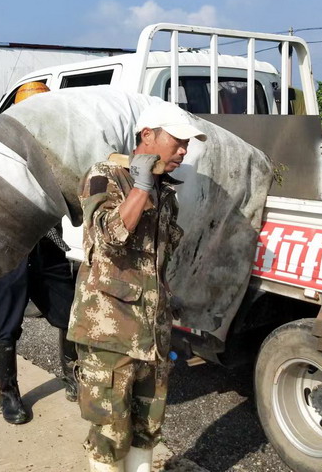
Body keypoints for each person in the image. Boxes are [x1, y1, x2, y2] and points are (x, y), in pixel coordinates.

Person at [68, 102, 207, 472]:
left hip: (152, 332)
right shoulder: (105, 175)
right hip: (110, 329)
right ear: (147, 135)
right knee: (110, 431)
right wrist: (141, 187)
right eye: (178, 141)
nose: (184, 150)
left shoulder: (165, 191)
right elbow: (108, 237)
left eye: (187, 144)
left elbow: (159, 261)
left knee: (147, 427)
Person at [0, 81, 78, 425]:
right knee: (5, 323)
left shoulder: (56, 145)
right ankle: (7, 393)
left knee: (70, 314)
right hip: (6, 247)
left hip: (47, 243)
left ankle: (73, 374)